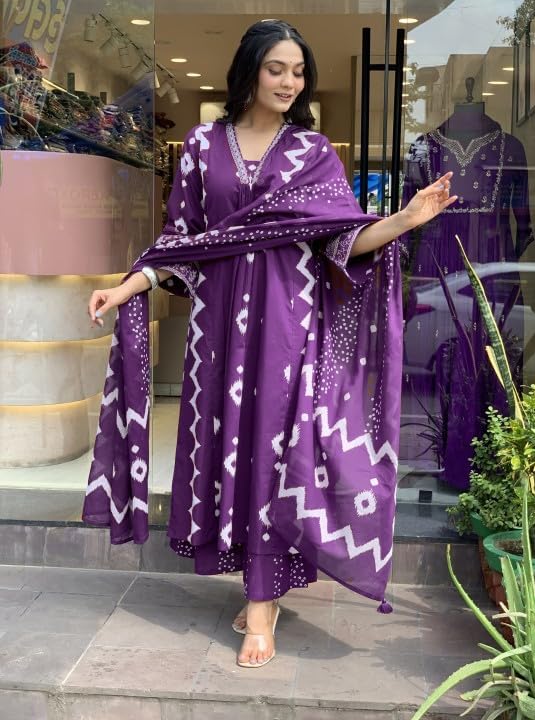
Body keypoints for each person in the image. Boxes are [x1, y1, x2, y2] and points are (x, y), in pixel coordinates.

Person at [85, 19, 456, 669]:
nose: (289, 82)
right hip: (216, 336)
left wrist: (403, 219)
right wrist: (126, 288)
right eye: (276, 69)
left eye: (299, 72)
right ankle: (259, 587)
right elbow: (183, 244)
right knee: (228, 452)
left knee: (272, 455)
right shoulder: (201, 146)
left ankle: (261, 604)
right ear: (250, 71)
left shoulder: (312, 153)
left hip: (289, 330)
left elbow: (343, 241)